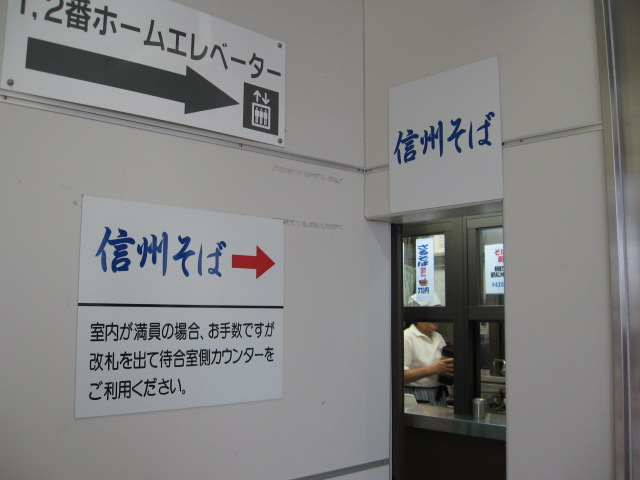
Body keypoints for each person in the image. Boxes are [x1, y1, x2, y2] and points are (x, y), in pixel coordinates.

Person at [403, 321, 454, 406]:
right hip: (416, 394)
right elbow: (400, 376)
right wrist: (432, 369)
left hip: (439, 393)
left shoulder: (438, 337)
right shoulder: (406, 337)